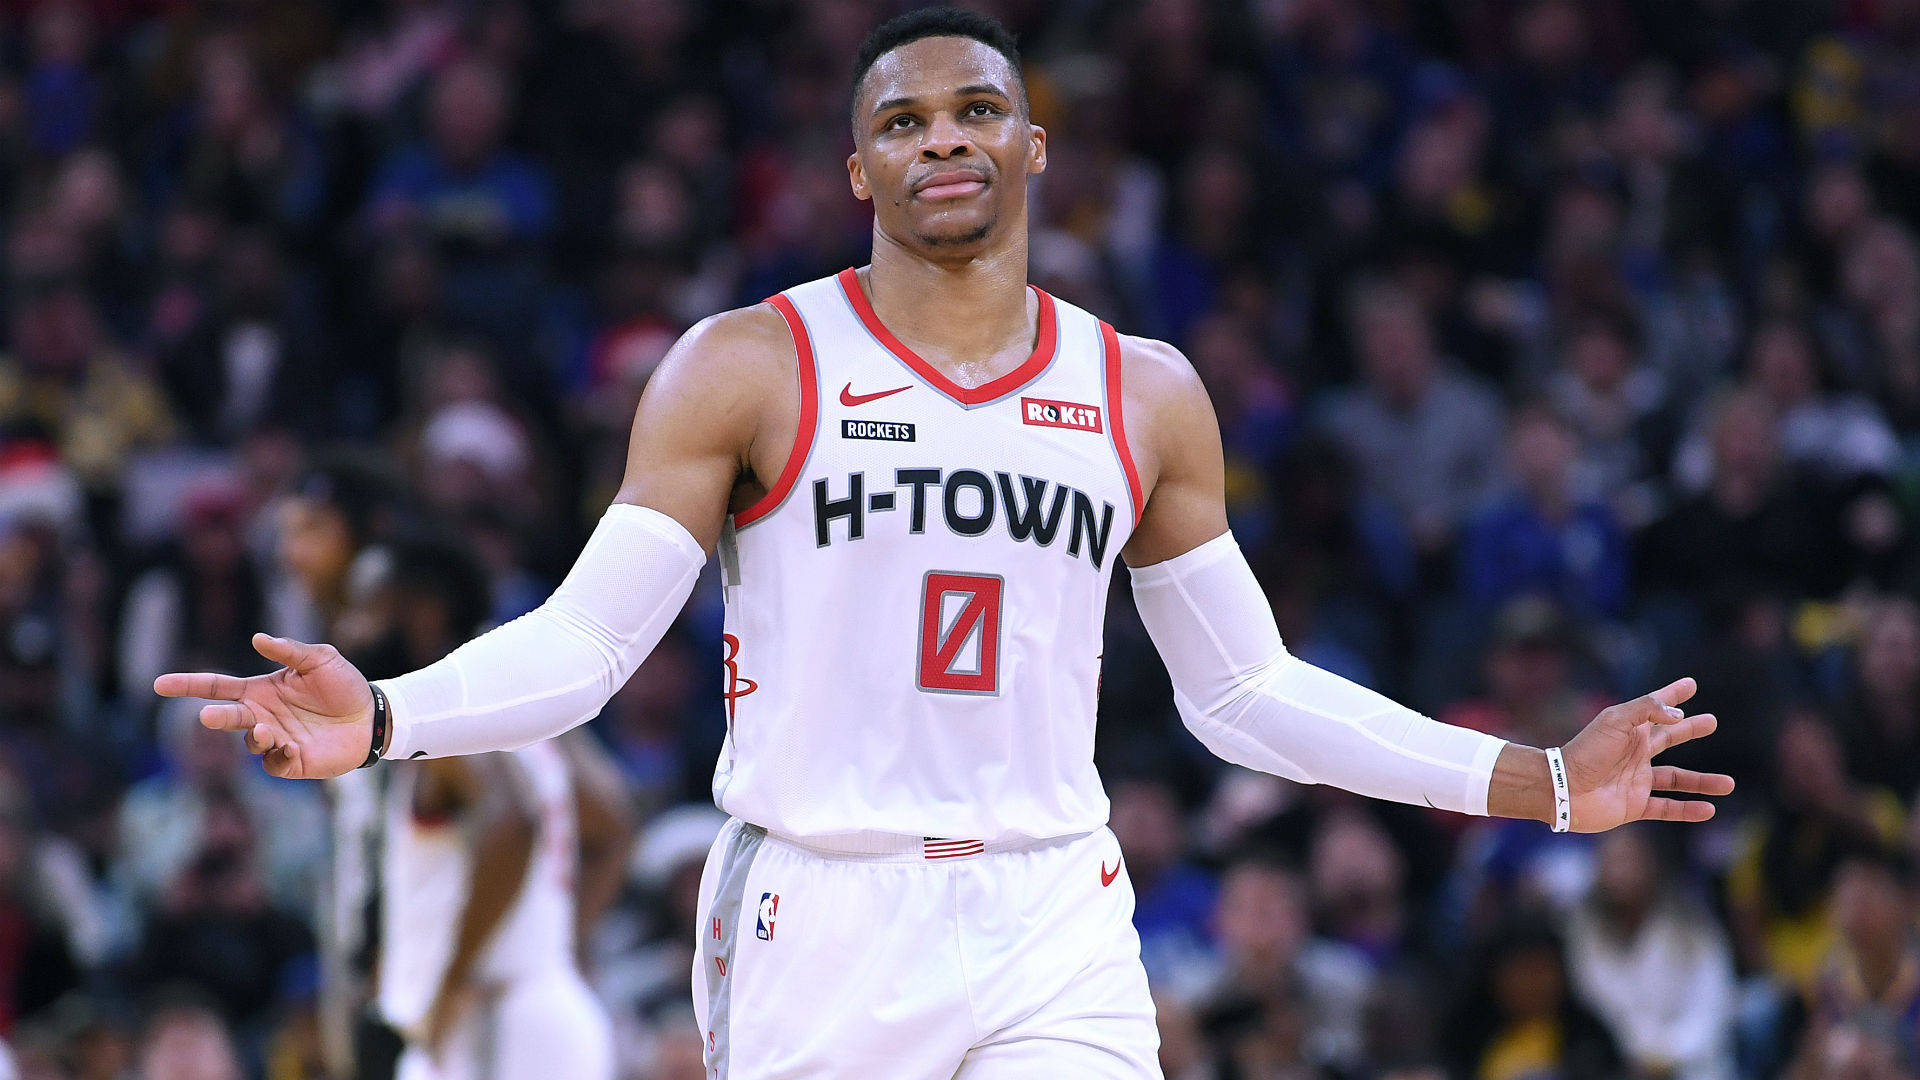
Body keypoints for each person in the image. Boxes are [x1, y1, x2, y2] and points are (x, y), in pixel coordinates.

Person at [157, 9, 1734, 1077]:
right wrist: (390, 717)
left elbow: (1245, 692)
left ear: (1035, 144)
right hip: (821, 908)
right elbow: (588, 643)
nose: (943, 140)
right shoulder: (748, 364)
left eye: (978, 110)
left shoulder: (1143, 391)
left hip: (1052, 905)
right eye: (901, 122)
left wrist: (1535, 781)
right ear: (858, 171)